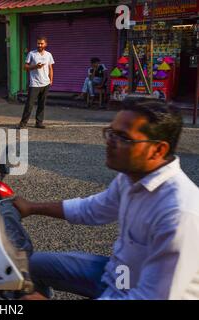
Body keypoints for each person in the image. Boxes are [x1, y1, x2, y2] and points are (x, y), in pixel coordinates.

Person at [14, 99, 199, 299]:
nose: (110, 142)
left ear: (158, 150)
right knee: (26, 266)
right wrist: (31, 207)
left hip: (134, 290)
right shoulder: (131, 177)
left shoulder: (179, 214)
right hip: (120, 275)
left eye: (123, 138)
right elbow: (92, 209)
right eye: (110, 133)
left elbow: (150, 296)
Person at [18, 36, 55, 129]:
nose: (39, 45)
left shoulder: (48, 55)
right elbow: (25, 67)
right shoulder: (32, 54)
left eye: (41, 43)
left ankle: (39, 123)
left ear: (45, 44)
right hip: (34, 84)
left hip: (45, 83)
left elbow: (50, 68)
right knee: (29, 104)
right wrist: (35, 67)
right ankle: (23, 123)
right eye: (38, 43)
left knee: (42, 104)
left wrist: (51, 80)